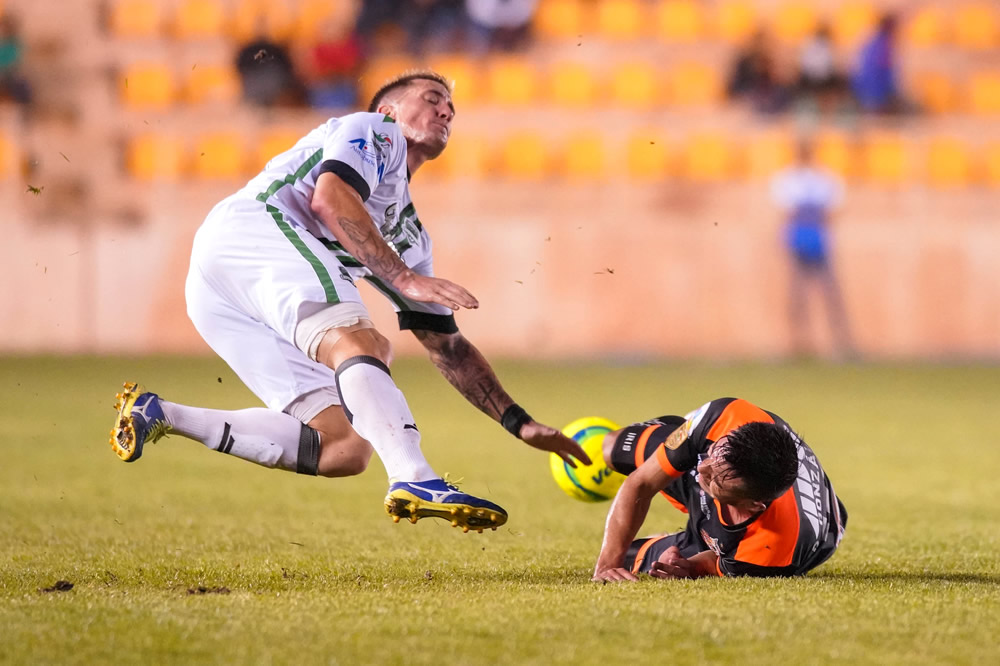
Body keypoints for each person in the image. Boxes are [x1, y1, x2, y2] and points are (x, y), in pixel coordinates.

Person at [109, 71, 589, 534]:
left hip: (218, 294)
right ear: (388, 109)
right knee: (365, 343)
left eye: (452, 107)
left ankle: (161, 413)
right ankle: (416, 477)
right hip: (254, 229)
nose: (445, 109)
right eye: (430, 97)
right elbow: (331, 198)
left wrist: (517, 422)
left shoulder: (411, 235)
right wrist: (401, 277)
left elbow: (448, 348)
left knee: (344, 447)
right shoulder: (374, 130)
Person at [592, 398, 847, 580]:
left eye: (717, 478)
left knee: (631, 560)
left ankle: (687, 533)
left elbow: (712, 564)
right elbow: (642, 482)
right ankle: (684, 440)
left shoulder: (769, 552)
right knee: (612, 447)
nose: (702, 470)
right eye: (713, 455)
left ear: (752, 504)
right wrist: (605, 566)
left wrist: (686, 567)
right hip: (724, 464)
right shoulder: (725, 418)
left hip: (748, 535)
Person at [771, 139, 854, 358]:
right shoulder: (789, 179)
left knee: (829, 295)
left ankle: (841, 345)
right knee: (799, 296)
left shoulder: (822, 179)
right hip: (801, 239)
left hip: (817, 240)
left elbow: (832, 209)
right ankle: (800, 345)